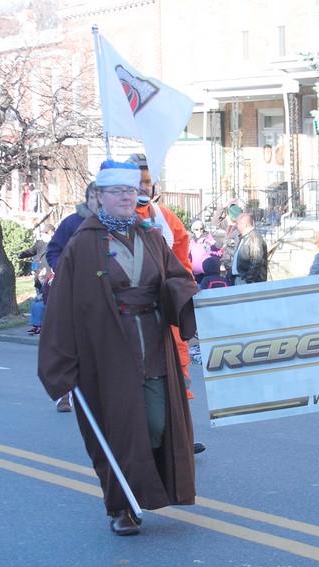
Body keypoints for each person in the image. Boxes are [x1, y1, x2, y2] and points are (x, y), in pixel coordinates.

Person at [37, 160, 199, 536]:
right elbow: (62, 308)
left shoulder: (152, 237)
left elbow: (176, 279)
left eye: (131, 191)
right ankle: (120, 507)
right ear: (99, 198)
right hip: (107, 351)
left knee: (156, 425)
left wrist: (191, 301)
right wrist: (62, 365)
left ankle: (147, 487)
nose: (127, 197)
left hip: (153, 343)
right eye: (117, 192)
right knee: (118, 430)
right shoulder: (82, 244)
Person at [128, 152, 206, 454]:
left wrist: (189, 303)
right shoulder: (113, 220)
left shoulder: (169, 220)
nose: (144, 187)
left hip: (168, 316)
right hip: (133, 317)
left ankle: (180, 438)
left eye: (148, 181)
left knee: (179, 376)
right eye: (138, 181)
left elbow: (185, 270)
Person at [44, 181, 99, 412]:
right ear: (88, 199)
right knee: (70, 343)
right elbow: (53, 250)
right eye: (95, 196)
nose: (99, 200)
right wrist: (64, 269)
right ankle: (64, 394)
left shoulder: (115, 224)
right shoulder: (72, 222)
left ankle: (93, 393)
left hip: (101, 292)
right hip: (74, 291)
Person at [230, 212, 268, 284]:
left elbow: (256, 261)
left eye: (237, 223)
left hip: (248, 281)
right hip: (240, 278)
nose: (235, 225)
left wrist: (249, 279)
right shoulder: (244, 237)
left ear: (244, 225)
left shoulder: (254, 239)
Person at [188, 219, 217, 284]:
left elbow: (215, 253)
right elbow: (188, 257)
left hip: (206, 273)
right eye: (197, 229)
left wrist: (211, 248)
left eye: (201, 229)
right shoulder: (191, 241)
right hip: (195, 274)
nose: (199, 231)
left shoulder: (208, 239)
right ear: (193, 230)